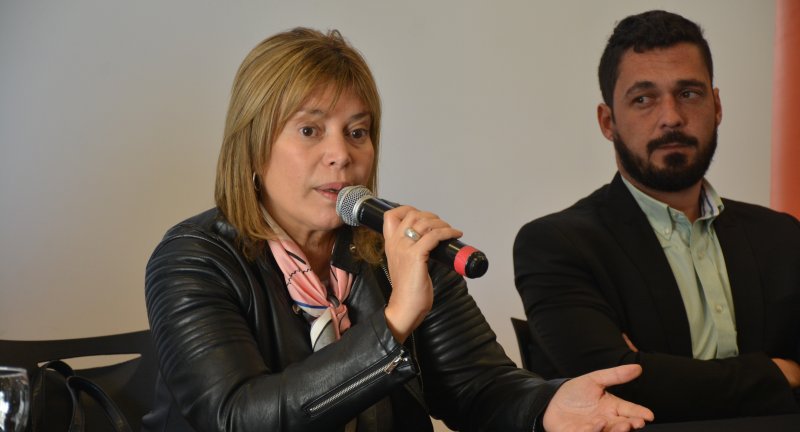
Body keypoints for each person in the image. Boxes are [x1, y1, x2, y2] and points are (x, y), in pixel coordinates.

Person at [142, 27, 653, 432]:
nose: (342, 154)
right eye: (309, 130)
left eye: (357, 132)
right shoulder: (193, 261)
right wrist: (394, 322)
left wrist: (547, 406)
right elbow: (237, 419)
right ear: (253, 147)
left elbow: (478, 387)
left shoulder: (397, 250)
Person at [513, 10, 800, 423]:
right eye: (643, 98)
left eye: (689, 93)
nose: (671, 117)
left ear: (716, 106)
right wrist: (780, 372)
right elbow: (618, 385)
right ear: (608, 121)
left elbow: (645, 380)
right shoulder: (556, 245)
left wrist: (654, 368)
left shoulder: (783, 236)